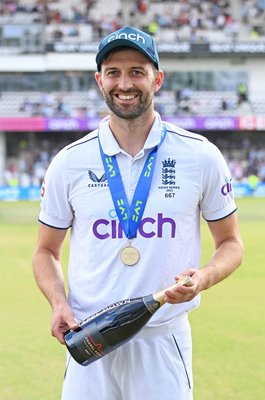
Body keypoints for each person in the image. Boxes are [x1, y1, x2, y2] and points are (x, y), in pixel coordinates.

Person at [32, 26, 244, 400]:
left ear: (157, 79)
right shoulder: (69, 162)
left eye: (137, 72)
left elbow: (231, 243)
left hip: (162, 342)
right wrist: (58, 303)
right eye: (113, 72)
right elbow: (45, 252)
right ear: (100, 80)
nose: (124, 83)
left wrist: (206, 276)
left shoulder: (200, 155)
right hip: (91, 342)